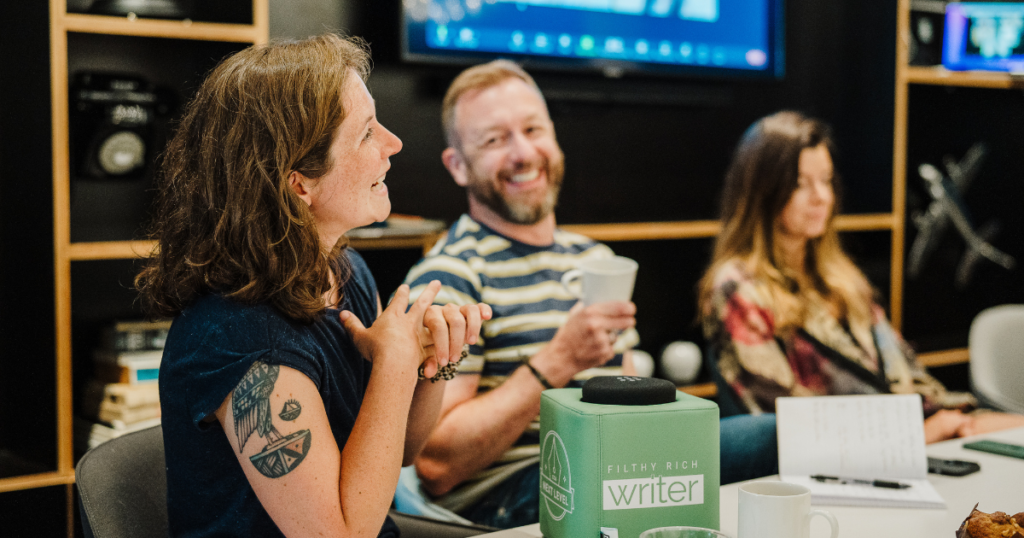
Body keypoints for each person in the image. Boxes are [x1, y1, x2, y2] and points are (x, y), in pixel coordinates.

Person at [397, 60, 779, 529]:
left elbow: (625, 397)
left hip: (617, 460)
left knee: (779, 439)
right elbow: (435, 463)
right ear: (458, 166)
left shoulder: (595, 259)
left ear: (554, 139)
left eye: (533, 129)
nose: (523, 152)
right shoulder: (449, 275)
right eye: (495, 140)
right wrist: (556, 362)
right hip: (517, 489)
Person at [135, 34, 491, 537]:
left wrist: (430, 362)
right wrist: (393, 362)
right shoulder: (241, 339)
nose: (394, 143)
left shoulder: (345, 271)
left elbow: (401, 452)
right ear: (298, 183)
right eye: (367, 133)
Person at [698, 110, 1024, 444]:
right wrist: (920, 434)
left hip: (920, 434)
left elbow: (907, 374)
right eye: (800, 184)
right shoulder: (738, 289)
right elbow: (780, 430)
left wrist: (951, 420)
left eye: (825, 181)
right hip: (850, 459)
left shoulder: (841, 275)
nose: (821, 197)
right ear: (763, 192)